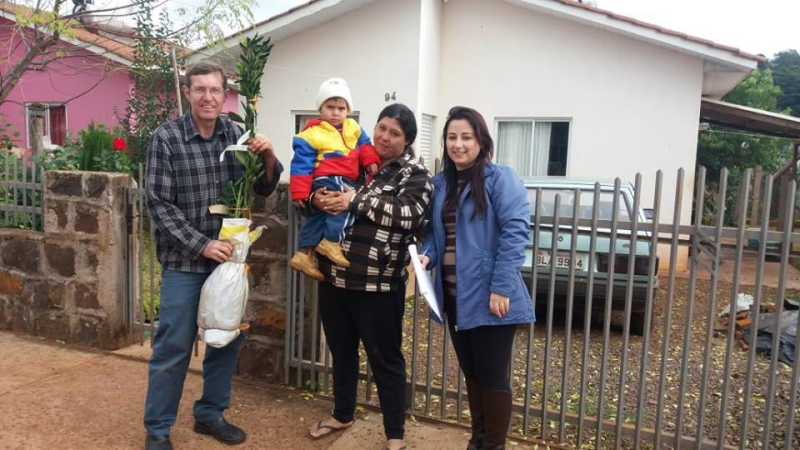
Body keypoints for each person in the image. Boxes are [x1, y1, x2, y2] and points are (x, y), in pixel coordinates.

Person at [143, 60, 283, 450]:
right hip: (184, 263)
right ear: (187, 92)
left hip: (229, 265)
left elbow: (263, 188)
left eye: (215, 90)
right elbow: (158, 204)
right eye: (200, 89)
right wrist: (201, 244)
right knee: (173, 346)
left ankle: (210, 414)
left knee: (225, 341)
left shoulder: (237, 134)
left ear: (225, 95)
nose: (208, 97)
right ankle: (158, 430)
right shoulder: (166, 139)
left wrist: (268, 156)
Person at [307, 103, 432, 450]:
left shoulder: (415, 174)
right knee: (341, 351)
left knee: (385, 358)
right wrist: (317, 199)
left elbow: (408, 214)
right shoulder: (355, 158)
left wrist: (355, 201)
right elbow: (321, 186)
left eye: (395, 133)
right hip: (334, 278)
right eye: (381, 128)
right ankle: (342, 413)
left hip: (378, 284)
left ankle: (395, 435)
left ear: (407, 141)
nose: (384, 137)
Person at [420, 106, 534, 450]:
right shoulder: (440, 185)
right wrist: (428, 254)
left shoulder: (501, 179)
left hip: (490, 296)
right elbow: (434, 234)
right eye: (452, 137)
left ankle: (493, 445)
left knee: (492, 376)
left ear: (481, 141)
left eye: (466, 137)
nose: (458, 144)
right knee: (472, 374)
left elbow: (515, 233)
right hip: (455, 298)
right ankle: (478, 440)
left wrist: (501, 287)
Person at [288, 78, 380, 280]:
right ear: (320, 109)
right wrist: (300, 192)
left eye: (341, 108)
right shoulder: (311, 134)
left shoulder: (354, 127)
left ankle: (304, 252)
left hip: (339, 178)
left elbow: (365, 145)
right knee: (344, 203)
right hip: (328, 177)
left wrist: (371, 160)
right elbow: (301, 165)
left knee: (320, 215)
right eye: (330, 107)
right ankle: (331, 241)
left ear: (348, 110)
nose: (336, 113)